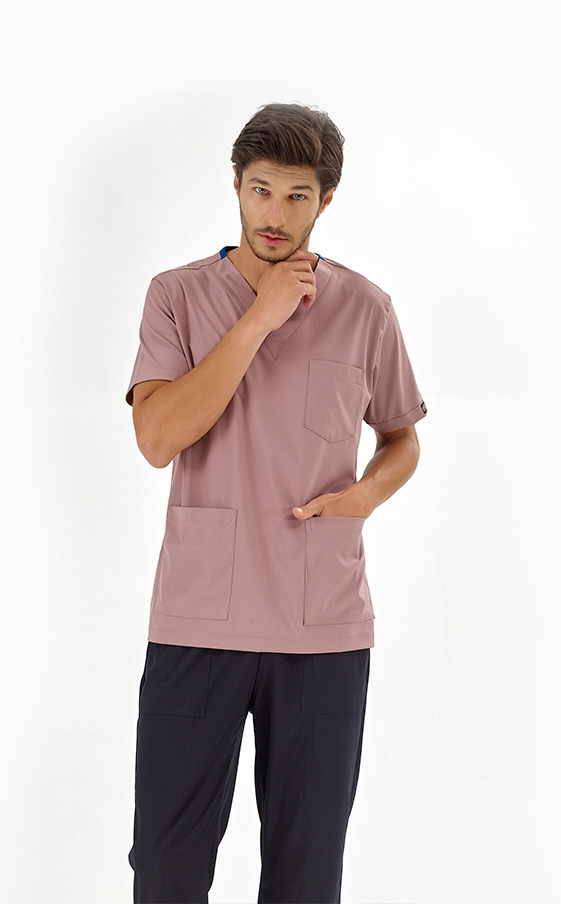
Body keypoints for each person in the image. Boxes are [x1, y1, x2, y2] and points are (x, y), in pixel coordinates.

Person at [125, 102, 426, 903]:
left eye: (297, 196)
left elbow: (402, 438)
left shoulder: (366, 309)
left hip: (321, 624)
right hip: (199, 620)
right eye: (261, 190)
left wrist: (364, 496)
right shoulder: (177, 297)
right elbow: (157, 438)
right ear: (235, 185)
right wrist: (257, 320)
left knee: (306, 876)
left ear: (326, 200)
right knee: (166, 870)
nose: (275, 214)